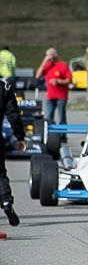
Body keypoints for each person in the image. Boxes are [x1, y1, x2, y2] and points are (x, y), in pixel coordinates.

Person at [1, 78, 26, 234]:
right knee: (0, 173)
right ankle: (5, 201)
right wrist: (19, 137)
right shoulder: (4, 86)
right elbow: (13, 114)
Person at [35, 47, 72, 124]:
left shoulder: (63, 65)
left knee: (61, 116)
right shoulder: (47, 66)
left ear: (55, 55)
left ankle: (62, 135)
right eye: (47, 55)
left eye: (50, 55)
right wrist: (44, 62)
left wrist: (58, 81)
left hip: (61, 96)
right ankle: (49, 134)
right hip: (50, 96)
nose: (49, 57)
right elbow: (38, 76)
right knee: (48, 116)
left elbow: (69, 80)